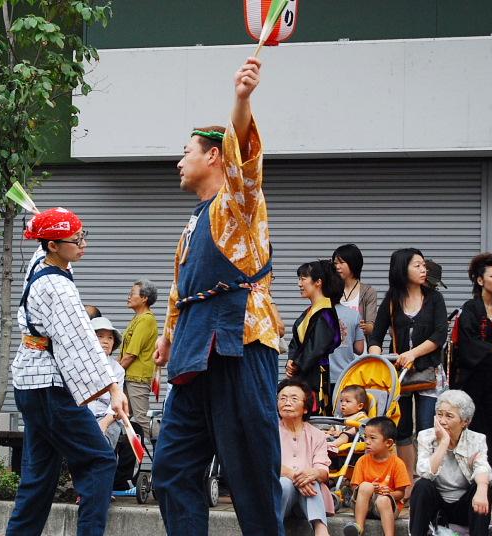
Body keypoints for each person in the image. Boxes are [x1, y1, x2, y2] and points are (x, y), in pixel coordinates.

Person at [152, 56, 284, 535]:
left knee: (250, 470)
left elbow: (244, 154)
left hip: (238, 341)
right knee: (170, 469)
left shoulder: (238, 202)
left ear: (213, 156)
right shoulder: (193, 221)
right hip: (193, 349)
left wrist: (242, 99)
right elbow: (179, 290)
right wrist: (168, 336)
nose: (178, 161)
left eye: (186, 151)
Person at [5, 207, 129, 536]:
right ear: (53, 245)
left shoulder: (41, 264)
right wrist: (114, 389)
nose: (83, 244)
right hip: (50, 386)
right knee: (100, 461)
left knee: (38, 477)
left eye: (82, 235)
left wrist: (46, 222)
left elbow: (46, 247)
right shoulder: (58, 289)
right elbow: (81, 342)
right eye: (76, 240)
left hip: (30, 382)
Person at [369, 248, 447, 490]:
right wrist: (377, 357)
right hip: (399, 375)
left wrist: (413, 353)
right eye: (417, 265)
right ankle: (408, 485)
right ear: (402, 269)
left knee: (426, 427)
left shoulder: (434, 298)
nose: (424, 270)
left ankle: (426, 483)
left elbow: (440, 334)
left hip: (428, 372)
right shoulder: (392, 300)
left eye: (424, 265)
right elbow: (376, 336)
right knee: (401, 429)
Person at [455, 253, 492, 499]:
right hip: (473, 380)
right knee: (476, 429)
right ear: (480, 280)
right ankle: (476, 482)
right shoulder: (470, 309)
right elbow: (468, 344)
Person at [409, 390, 492, 536]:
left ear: (465, 422)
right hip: (437, 509)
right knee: (421, 485)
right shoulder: (426, 436)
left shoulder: (476, 439)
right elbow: (425, 472)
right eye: (439, 414)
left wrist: (481, 489)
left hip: (464, 508)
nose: (442, 421)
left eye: (449, 416)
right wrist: (443, 443)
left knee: (483, 488)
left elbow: (482, 467)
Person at [286, 260, 342, 415]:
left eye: (303, 279)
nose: (299, 284)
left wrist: (296, 363)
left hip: (317, 375)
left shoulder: (326, 312)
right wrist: (291, 360)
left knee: (316, 415)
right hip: (305, 372)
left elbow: (317, 347)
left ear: (318, 282)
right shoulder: (311, 311)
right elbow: (296, 343)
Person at [277, 379, 331, 536]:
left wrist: (314, 473)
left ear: (306, 408)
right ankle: (272, 527)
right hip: (279, 499)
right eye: (282, 398)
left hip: (308, 500)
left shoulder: (317, 435)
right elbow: (264, 464)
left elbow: (323, 471)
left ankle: (321, 530)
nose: (287, 403)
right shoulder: (269, 432)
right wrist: (295, 477)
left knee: (312, 477)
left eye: (294, 399)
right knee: (285, 483)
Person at [343, 416, 411, 536]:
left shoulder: (397, 463)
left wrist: (389, 493)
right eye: (365, 437)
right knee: (365, 486)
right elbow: (354, 487)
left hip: (386, 507)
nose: (367, 441)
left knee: (383, 500)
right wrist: (370, 488)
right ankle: (359, 528)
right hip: (364, 505)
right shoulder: (362, 461)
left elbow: (401, 493)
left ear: (388, 443)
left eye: (372, 438)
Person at [120, 278, 159, 435]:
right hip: (129, 376)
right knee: (121, 415)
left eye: (132, 293)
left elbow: (131, 354)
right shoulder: (137, 319)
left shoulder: (146, 319)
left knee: (142, 418)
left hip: (137, 378)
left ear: (144, 298)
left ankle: (165, 446)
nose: (129, 296)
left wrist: (113, 373)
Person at [89, 316, 126, 449]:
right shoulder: (76, 364)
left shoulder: (117, 369)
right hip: (80, 416)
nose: (106, 341)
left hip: (106, 418)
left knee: (102, 444)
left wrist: (103, 424)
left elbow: (116, 405)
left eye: (110, 337)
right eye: (100, 336)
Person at [332, 244, 377, 344]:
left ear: (353, 263)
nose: (337, 267)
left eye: (341, 262)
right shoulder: (331, 290)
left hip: (360, 350)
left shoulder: (368, 292)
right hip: (336, 350)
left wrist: (365, 327)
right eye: (335, 263)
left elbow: (372, 326)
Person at [328, 301, 365, 393]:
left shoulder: (315, 313)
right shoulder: (354, 314)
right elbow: (359, 349)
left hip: (322, 377)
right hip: (346, 375)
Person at [326, 385, 369, 450]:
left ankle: (331, 445)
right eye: (341, 401)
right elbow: (334, 426)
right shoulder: (340, 416)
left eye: (347, 401)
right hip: (336, 437)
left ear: (359, 406)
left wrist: (342, 433)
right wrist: (330, 431)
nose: (343, 404)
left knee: (345, 435)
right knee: (322, 433)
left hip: (353, 439)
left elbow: (357, 429)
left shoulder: (361, 416)